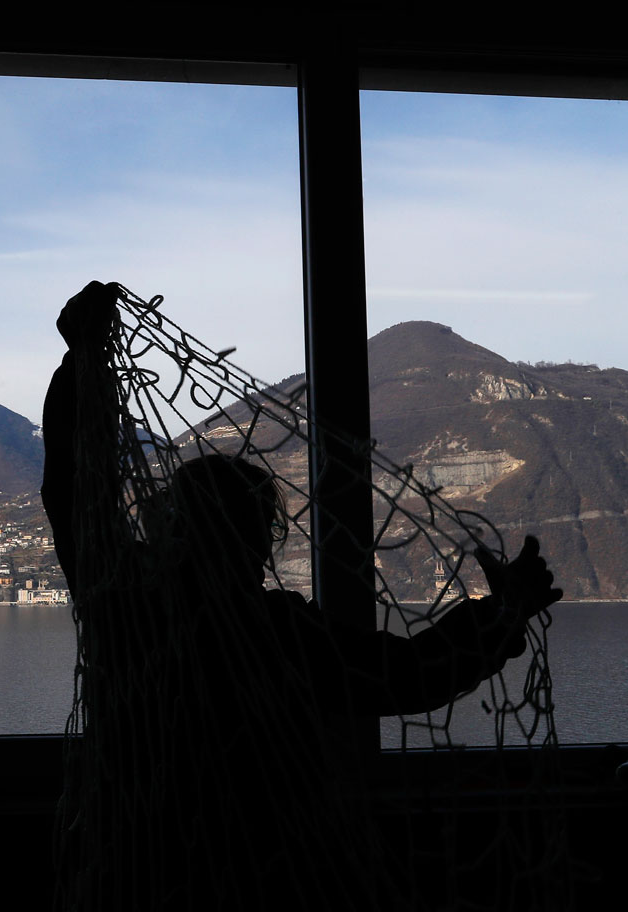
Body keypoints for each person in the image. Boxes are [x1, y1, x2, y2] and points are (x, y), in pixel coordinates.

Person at [43, 281, 562, 910]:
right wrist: (501, 616)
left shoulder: (124, 613)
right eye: (261, 530)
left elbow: (74, 495)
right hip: (267, 879)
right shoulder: (274, 630)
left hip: (132, 875)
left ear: (169, 526)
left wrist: (82, 366)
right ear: (253, 543)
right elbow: (405, 675)